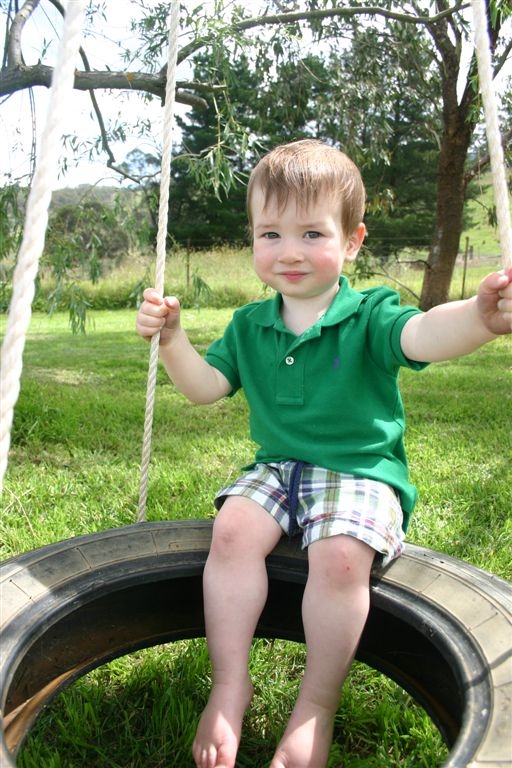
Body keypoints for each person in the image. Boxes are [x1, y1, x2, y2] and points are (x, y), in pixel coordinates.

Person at [136, 139, 512, 768]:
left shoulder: (369, 314)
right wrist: (173, 340)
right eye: (270, 233)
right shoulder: (248, 325)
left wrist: (477, 315)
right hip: (279, 470)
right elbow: (204, 390)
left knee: (339, 558)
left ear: (354, 240)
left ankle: (316, 702)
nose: (288, 252)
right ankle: (230, 683)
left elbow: (423, 336)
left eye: (312, 233)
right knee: (231, 532)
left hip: (359, 472)